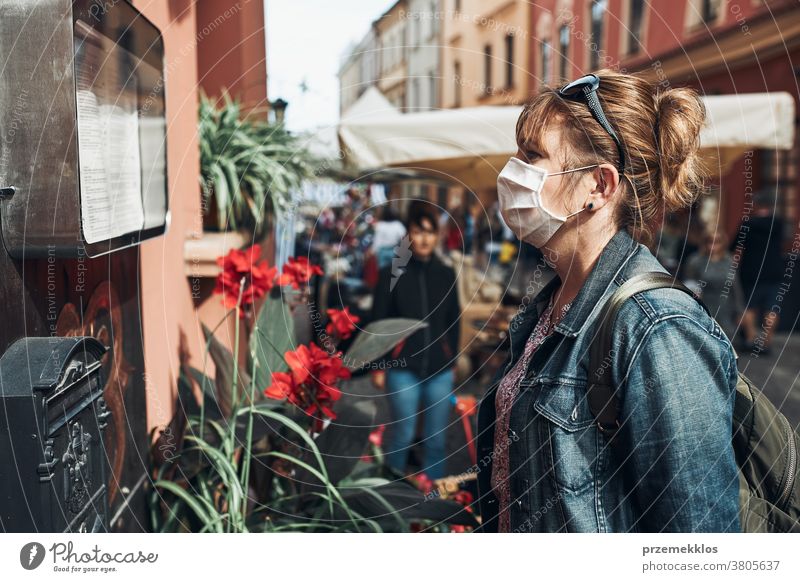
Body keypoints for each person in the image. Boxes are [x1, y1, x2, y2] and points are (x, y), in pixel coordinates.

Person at [476, 71, 740, 533]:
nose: (511, 170)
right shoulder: (553, 300)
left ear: (598, 186)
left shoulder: (658, 328)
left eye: (532, 155)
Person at [371, 202, 461, 480]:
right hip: (402, 370)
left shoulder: (446, 274)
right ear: (408, 234)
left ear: (437, 236)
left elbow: (453, 322)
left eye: (429, 232)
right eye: (418, 231)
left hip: (439, 371)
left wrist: (452, 359)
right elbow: (378, 323)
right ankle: (391, 497)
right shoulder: (391, 274)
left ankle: (432, 505)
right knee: (403, 434)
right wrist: (378, 365)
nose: (424, 239)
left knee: (436, 440)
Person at [732, 190, 785, 354]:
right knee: (772, 308)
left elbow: (734, 247)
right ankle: (766, 344)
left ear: (756, 205)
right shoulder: (778, 223)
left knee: (750, 307)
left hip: (751, 271)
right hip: (775, 271)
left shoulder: (748, 224)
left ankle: (750, 340)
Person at [683, 231, 745, 342]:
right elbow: (688, 283)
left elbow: (735, 287)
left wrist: (739, 310)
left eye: (717, 242)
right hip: (705, 306)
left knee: (726, 340)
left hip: (725, 306)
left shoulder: (729, 261)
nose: (713, 246)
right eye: (710, 242)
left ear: (723, 244)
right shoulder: (696, 261)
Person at [371, 206, 407, 270]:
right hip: (394, 251)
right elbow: (404, 238)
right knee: (394, 271)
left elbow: (377, 241)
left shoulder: (380, 225)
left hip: (382, 251)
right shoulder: (397, 225)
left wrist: (373, 251)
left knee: (382, 271)